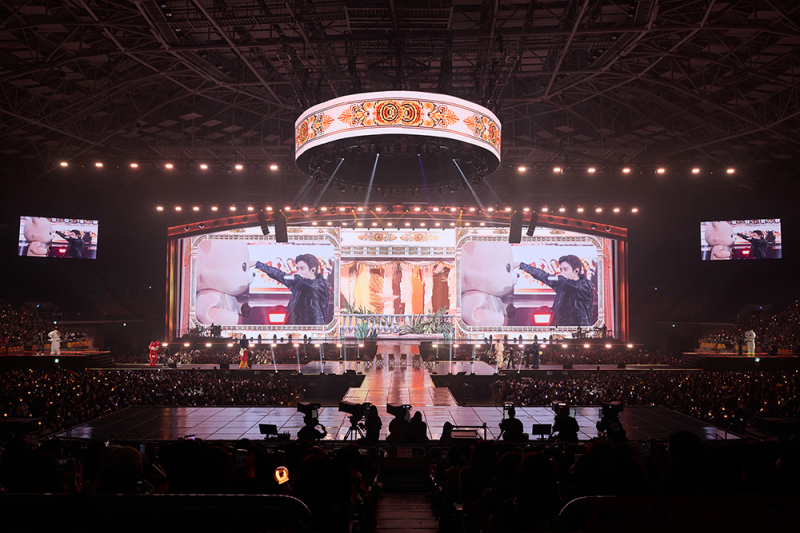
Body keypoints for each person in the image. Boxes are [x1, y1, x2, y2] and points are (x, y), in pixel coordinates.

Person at [518, 254, 594, 327]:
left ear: (576, 271)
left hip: (578, 331)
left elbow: (574, 287)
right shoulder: (562, 285)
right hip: (559, 329)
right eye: (561, 270)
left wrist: (561, 279)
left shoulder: (585, 286)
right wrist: (521, 265)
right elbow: (543, 275)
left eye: (565, 269)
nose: (562, 273)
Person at [255, 254, 330, 325]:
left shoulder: (322, 285)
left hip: (314, 330)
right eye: (297, 269)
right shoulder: (297, 284)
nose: (298, 272)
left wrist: (297, 278)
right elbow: (279, 274)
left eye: (302, 269)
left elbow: (311, 286)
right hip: (295, 329)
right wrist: (258, 264)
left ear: (313, 270)